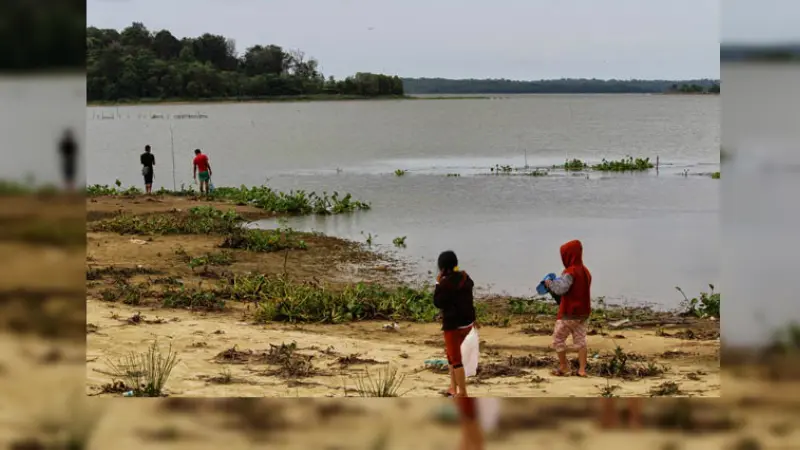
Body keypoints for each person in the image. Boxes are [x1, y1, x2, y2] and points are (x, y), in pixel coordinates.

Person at [544, 239, 592, 377]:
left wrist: (550, 284)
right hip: (583, 314)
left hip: (568, 314)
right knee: (581, 341)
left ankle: (564, 366)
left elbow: (561, 289)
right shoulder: (586, 271)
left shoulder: (570, 272)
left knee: (558, 339)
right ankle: (582, 369)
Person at [433, 250, 476, 398]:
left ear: (442, 267)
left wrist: (438, 283)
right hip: (468, 323)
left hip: (453, 326)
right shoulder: (465, 278)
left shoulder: (446, 283)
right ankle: (453, 387)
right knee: (451, 355)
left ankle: (462, 392)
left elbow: (438, 302)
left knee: (456, 360)